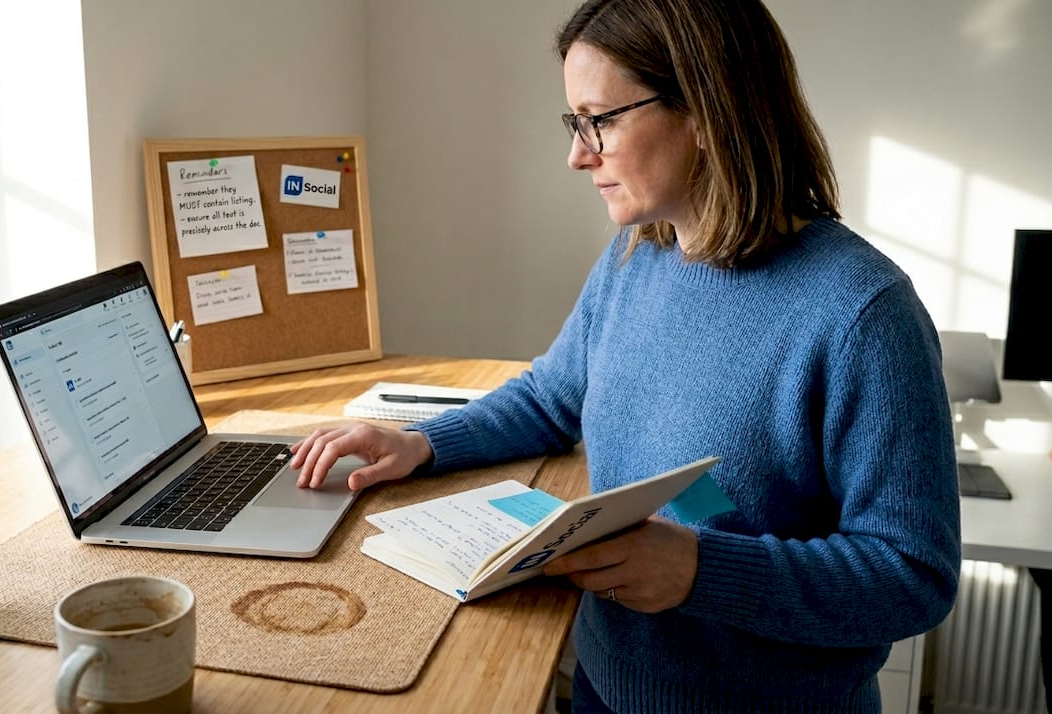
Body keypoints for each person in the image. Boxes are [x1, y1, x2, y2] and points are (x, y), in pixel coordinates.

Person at [291, 0, 961, 710]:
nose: (578, 154)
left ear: (706, 111)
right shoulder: (638, 254)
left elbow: (912, 575)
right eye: (574, 123)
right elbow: (552, 397)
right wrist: (421, 444)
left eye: (599, 120)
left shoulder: (864, 314)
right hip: (605, 688)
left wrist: (703, 569)